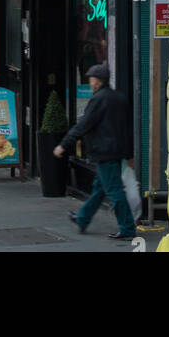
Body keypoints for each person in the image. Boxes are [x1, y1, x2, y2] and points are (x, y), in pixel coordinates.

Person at [54, 63, 138, 240]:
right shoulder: (119, 98)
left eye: (91, 79)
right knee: (100, 189)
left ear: (98, 81)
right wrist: (129, 154)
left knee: (115, 191)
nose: (90, 82)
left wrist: (64, 144)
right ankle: (83, 219)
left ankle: (128, 228)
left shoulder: (99, 99)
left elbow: (84, 124)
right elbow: (129, 129)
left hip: (104, 152)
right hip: (117, 152)